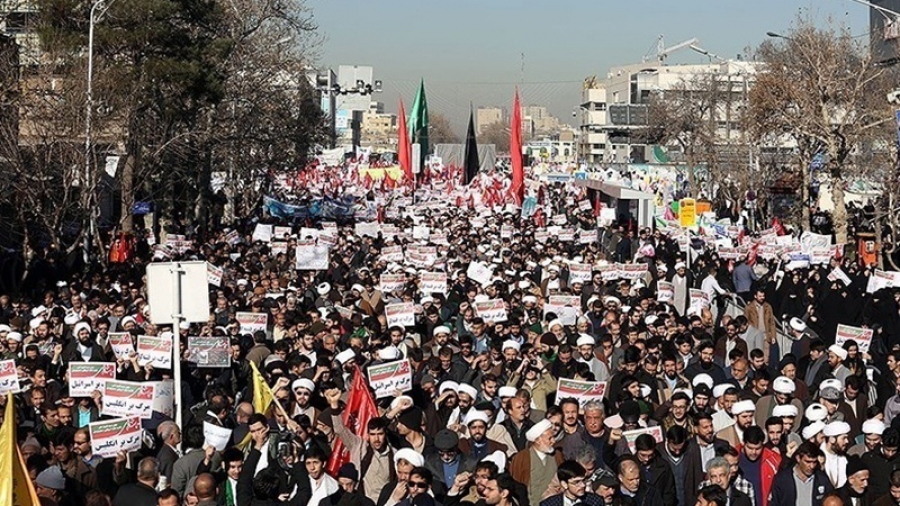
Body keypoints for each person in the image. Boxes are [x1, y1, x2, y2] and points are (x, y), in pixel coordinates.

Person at [768, 442, 834, 506]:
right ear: (798, 458)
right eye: (808, 462)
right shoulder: (783, 479)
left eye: (814, 462)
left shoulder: (822, 479)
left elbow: (833, 499)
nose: (812, 466)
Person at [540, 460, 604, 506]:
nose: (582, 485)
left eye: (583, 480)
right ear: (564, 484)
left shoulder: (595, 502)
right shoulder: (549, 504)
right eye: (577, 482)